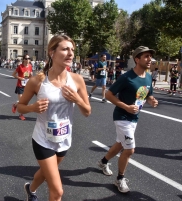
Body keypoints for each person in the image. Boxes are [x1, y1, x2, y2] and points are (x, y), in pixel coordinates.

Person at [17, 35, 91, 201]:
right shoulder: (37, 81)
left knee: (44, 173)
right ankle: (32, 190)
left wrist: (77, 99)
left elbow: (87, 111)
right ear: (52, 52)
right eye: (65, 49)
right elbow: (20, 107)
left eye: (72, 49)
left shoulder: (77, 80)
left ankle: (30, 189)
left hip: (64, 138)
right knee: (57, 192)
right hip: (43, 139)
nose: (70, 53)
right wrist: (32, 108)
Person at [97, 46, 158, 193]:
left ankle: (103, 162)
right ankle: (120, 179)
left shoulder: (148, 76)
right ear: (137, 59)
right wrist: (125, 106)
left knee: (120, 144)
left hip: (134, 117)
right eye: (146, 56)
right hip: (122, 116)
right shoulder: (126, 77)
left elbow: (147, 94)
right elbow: (110, 94)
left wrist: (151, 100)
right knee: (129, 149)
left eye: (150, 56)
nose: (149, 59)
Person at [11, 55, 33, 120]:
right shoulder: (20, 67)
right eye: (26, 58)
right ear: (23, 59)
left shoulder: (30, 66)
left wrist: (31, 75)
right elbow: (13, 74)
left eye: (29, 58)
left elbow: (30, 76)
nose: (28, 60)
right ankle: (21, 115)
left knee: (24, 101)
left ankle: (15, 105)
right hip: (20, 85)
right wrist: (19, 78)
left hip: (26, 85)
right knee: (22, 102)